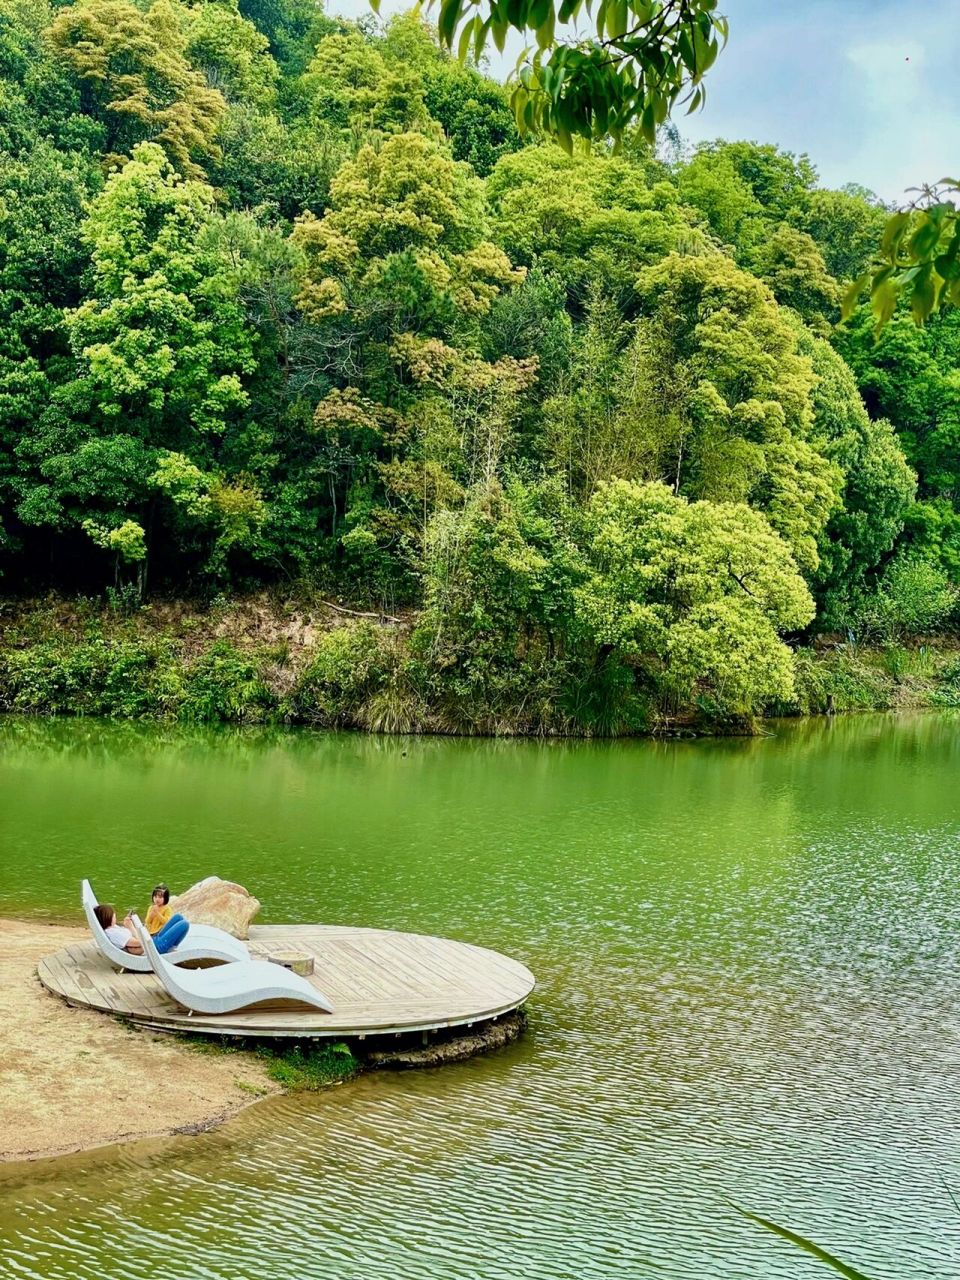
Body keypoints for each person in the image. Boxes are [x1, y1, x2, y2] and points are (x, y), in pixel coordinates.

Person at [92, 902, 189, 955]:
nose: (114, 915)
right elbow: (139, 943)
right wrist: (131, 927)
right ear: (107, 918)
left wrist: (127, 925)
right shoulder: (114, 934)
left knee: (178, 917)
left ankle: (171, 946)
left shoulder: (112, 928)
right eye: (112, 914)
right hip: (155, 948)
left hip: (152, 941)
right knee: (184, 924)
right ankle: (169, 949)